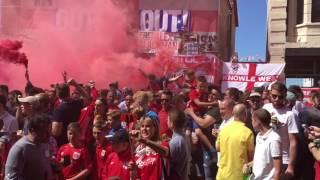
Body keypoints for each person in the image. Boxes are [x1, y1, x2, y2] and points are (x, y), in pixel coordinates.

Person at [263, 82, 298, 179]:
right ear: (270, 94)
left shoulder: (289, 114)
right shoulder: (265, 108)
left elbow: (293, 142)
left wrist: (291, 166)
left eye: (280, 97)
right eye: (274, 96)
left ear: (285, 96)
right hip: (266, 158)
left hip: (283, 160)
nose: (277, 99)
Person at [5, 113, 52, 180]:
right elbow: (10, 178)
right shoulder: (19, 149)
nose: (49, 135)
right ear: (33, 130)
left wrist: (53, 166)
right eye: (45, 132)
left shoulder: (43, 144)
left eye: (50, 132)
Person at [216, 104, 255, 180]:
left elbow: (218, 148)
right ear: (245, 114)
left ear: (233, 114)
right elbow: (251, 159)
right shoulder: (247, 132)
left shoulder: (223, 130)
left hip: (222, 175)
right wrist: (248, 177)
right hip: (240, 176)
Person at [244, 109, 282, 180]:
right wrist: (249, 165)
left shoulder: (274, 139)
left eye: (252, 120)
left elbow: (278, 170)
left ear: (258, 122)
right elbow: (262, 160)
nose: (251, 122)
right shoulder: (258, 136)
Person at [130, 115, 169, 180]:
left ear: (155, 128)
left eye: (148, 126)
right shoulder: (137, 151)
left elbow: (164, 152)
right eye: (142, 126)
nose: (144, 129)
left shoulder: (162, 144)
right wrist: (132, 170)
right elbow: (134, 177)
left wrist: (145, 141)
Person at [52, 79, 88, 146]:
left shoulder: (59, 110)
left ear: (57, 94)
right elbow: (86, 97)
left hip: (63, 143)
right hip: (76, 138)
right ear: (68, 92)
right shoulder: (77, 103)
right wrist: (76, 85)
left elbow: (56, 132)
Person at [167, 108, 191, 180]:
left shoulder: (175, 142)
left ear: (172, 123)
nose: (166, 121)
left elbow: (170, 163)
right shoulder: (184, 136)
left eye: (168, 120)